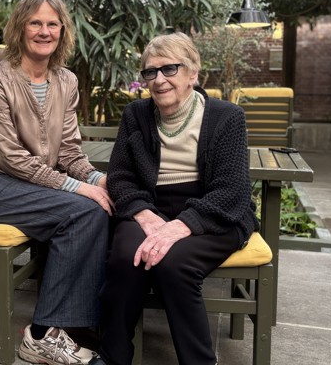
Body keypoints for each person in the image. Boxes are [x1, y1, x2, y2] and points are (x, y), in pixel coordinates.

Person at [0, 0, 113, 365]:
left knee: (101, 206)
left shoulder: (66, 81)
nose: (44, 31)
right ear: (20, 28)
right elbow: (10, 159)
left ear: (63, 31)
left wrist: (97, 180)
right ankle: (40, 336)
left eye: (52, 24)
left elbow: (69, 150)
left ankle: (74, 327)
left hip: (24, 185)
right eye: (35, 22)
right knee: (83, 211)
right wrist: (78, 188)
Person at [92, 32, 258, 365]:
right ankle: (113, 356)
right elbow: (121, 176)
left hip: (215, 212)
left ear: (193, 73)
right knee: (126, 256)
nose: (159, 79)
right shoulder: (136, 115)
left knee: (174, 263)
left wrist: (180, 226)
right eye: (150, 72)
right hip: (151, 206)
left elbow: (231, 190)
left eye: (169, 69)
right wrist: (143, 213)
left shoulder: (227, 116)